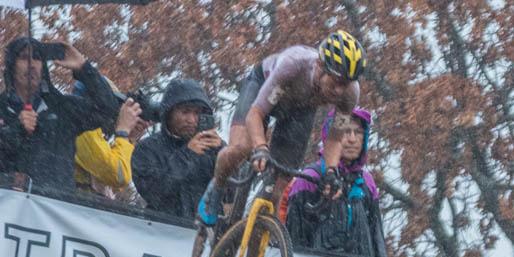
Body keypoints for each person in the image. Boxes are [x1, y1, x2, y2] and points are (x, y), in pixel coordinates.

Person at [197, 30, 365, 225]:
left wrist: (330, 172)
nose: (339, 90)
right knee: (242, 148)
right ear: (320, 65)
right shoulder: (293, 64)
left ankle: (254, 249)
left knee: (278, 189)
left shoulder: (350, 93)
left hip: (300, 109)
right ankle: (216, 187)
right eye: (336, 82)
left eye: (345, 84)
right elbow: (256, 114)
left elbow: (335, 138)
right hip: (262, 90)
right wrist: (260, 148)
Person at [0, 37, 117, 198]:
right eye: (24, 58)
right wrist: (16, 131)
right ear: (12, 65)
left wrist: (83, 68)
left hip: (56, 212)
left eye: (38, 58)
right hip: (9, 212)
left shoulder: (63, 109)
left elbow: (108, 110)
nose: (32, 65)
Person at [285, 108, 386, 257]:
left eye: (358, 132)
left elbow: (377, 241)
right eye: (345, 131)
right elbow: (293, 240)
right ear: (332, 137)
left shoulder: (367, 183)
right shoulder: (310, 178)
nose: (352, 139)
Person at [130, 78, 221, 219]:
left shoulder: (213, 147)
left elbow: (231, 196)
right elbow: (154, 193)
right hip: (162, 234)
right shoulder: (147, 149)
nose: (191, 119)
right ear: (169, 113)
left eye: (197, 113)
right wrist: (188, 155)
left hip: (206, 236)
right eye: (185, 112)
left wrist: (222, 155)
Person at [73, 90, 147, 199]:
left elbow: (114, 185)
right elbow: (118, 176)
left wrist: (130, 138)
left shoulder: (93, 133)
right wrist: (123, 131)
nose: (115, 111)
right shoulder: (84, 131)